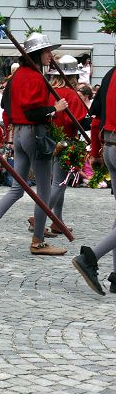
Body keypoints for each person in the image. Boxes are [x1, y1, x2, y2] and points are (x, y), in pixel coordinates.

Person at [0, 32, 69, 257]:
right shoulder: (35, 76)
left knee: (17, 188)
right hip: (34, 132)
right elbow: (32, 109)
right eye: (47, 52)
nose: (50, 55)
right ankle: (38, 241)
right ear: (37, 54)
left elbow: (7, 105)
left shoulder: (16, 77)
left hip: (18, 133)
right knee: (44, 188)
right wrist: (54, 109)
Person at [72, 57, 116, 295]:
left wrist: (95, 149)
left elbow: (96, 119)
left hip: (110, 147)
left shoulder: (110, 74)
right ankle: (90, 258)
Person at [36, 55, 88, 235]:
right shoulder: (71, 94)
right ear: (73, 76)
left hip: (48, 140)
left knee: (58, 182)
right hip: (66, 142)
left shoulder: (49, 92)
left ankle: (57, 222)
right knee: (60, 183)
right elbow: (77, 121)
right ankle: (40, 217)